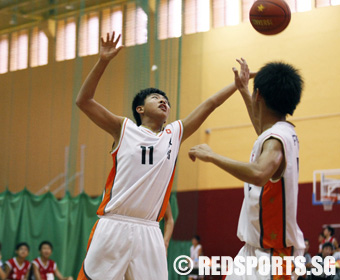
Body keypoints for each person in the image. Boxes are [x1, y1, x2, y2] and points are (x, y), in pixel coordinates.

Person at [75, 32, 249, 280]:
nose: (163, 100)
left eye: (166, 99)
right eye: (156, 98)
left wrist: (236, 85)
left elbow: (210, 104)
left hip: (149, 230)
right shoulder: (124, 129)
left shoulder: (174, 134)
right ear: (140, 109)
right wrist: (103, 61)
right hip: (114, 224)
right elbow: (84, 100)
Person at [189, 58, 305, 279]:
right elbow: (262, 129)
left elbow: (259, 174)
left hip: (273, 256)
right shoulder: (278, 132)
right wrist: (243, 89)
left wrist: (212, 156)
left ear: (258, 95)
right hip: (252, 251)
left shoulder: (276, 140)